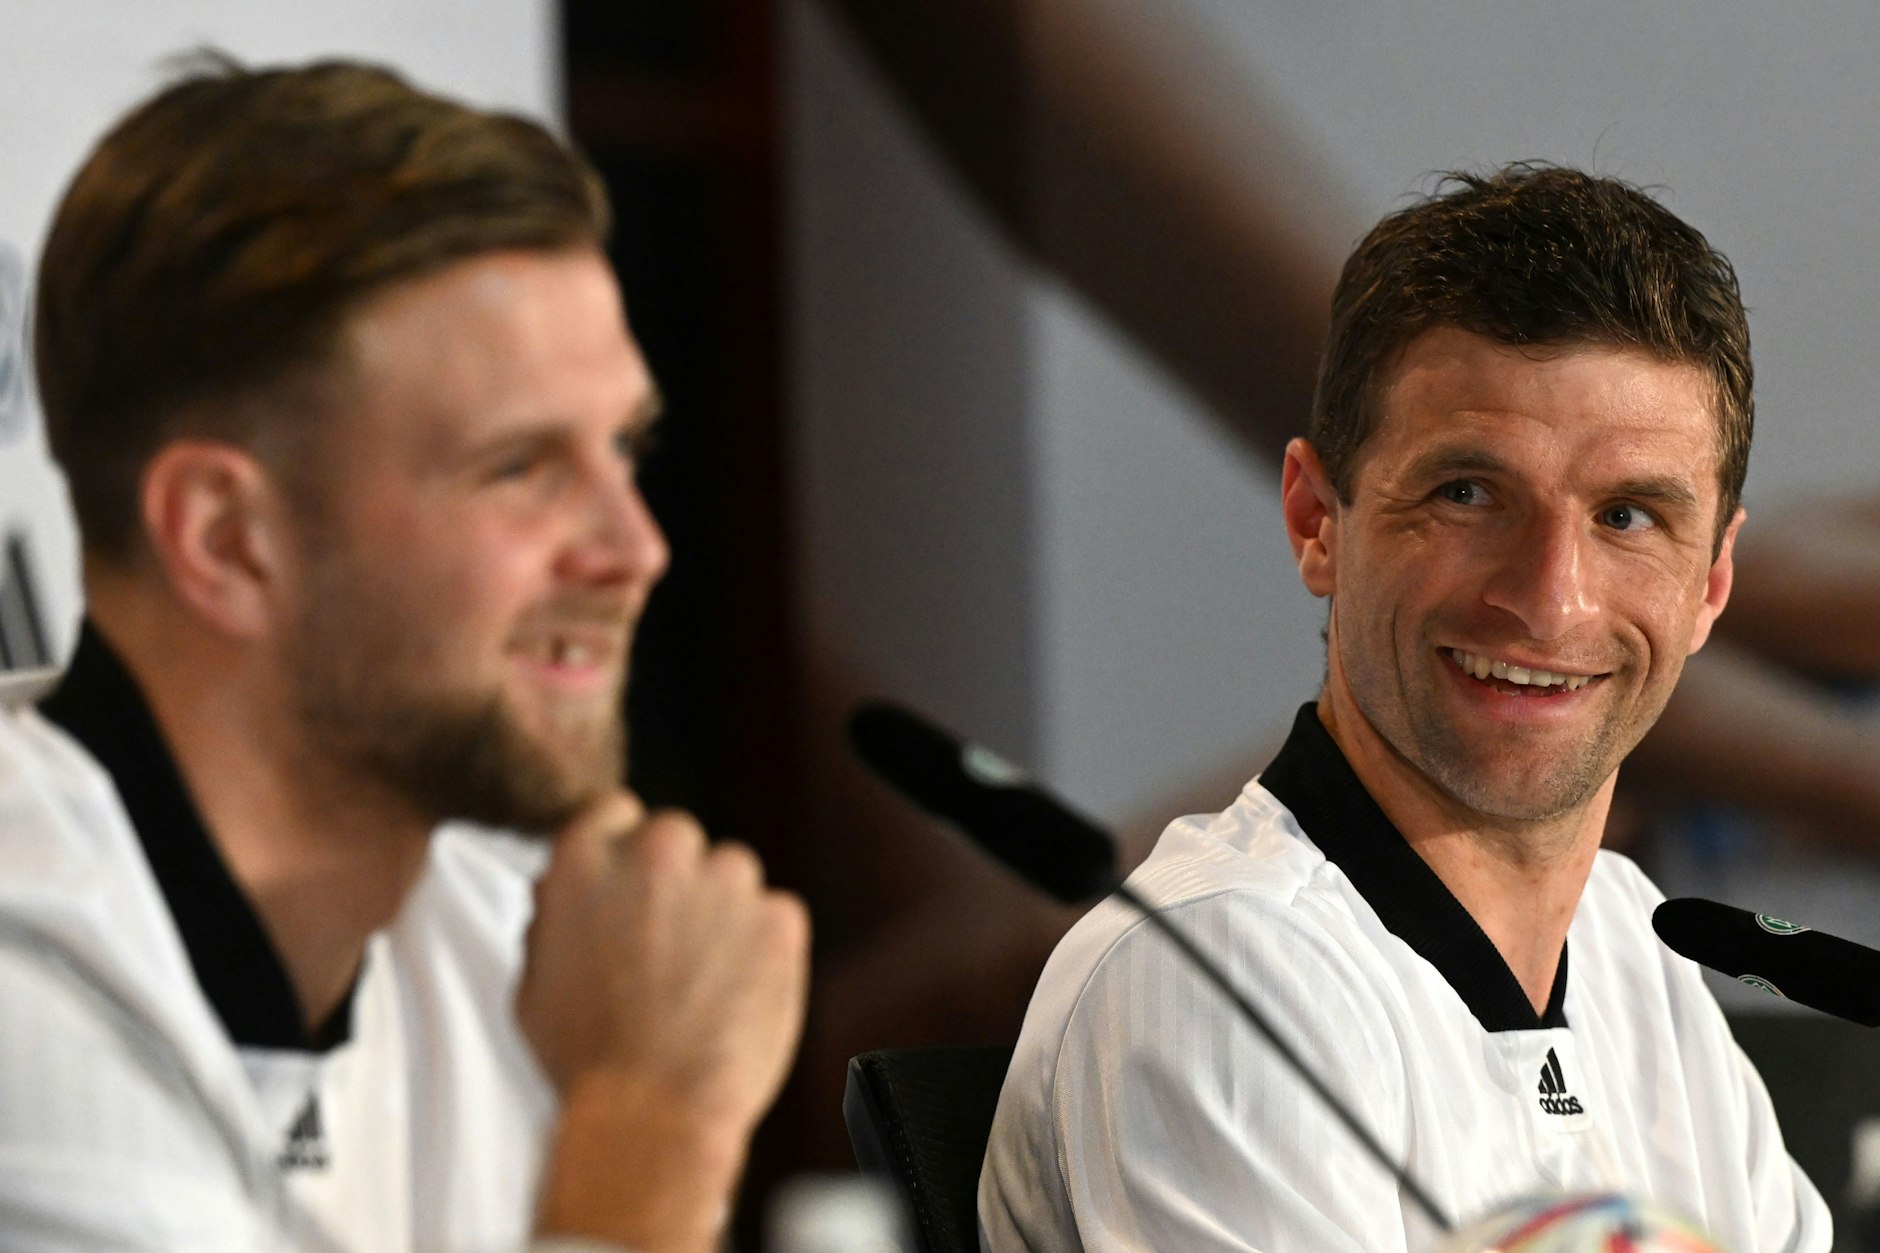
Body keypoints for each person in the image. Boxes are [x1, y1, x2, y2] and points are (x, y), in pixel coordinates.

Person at [0, 56, 809, 1253]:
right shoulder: (27, 978)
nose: (634, 548)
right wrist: (653, 1126)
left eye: (624, 449)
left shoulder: (510, 942)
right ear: (227, 538)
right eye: (521, 468)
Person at [980, 165, 1830, 1251]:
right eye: (1465, 494)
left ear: (1710, 581)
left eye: (1625, 515)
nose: (1547, 598)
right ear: (1313, 519)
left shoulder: (1633, 948)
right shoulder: (1220, 973)